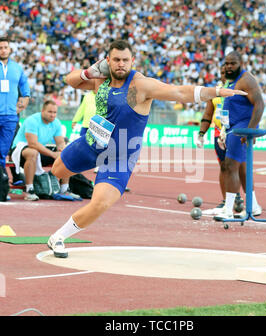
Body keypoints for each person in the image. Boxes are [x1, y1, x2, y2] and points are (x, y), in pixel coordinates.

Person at [47, 39, 247, 258]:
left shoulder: (140, 85)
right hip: (91, 142)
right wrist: (89, 71)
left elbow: (179, 93)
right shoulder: (100, 80)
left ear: (132, 61)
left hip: (120, 156)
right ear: (108, 61)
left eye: (125, 60)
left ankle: (58, 237)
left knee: (101, 202)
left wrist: (216, 91)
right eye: (116, 60)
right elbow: (71, 80)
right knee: (57, 172)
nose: (121, 64)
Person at [213, 51, 264, 220]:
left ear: (240, 63)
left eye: (232, 63)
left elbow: (260, 104)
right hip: (232, 128)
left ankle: (228, 209)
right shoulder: (230, 81)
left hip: (242, 127)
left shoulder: (246, 80)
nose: (228, 66)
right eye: (226, 63)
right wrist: (223, 131)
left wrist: (251, 130)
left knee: (230, 166)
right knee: (242, 169)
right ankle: (254, 205)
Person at [196, 65, 245, 215]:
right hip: (219, 134)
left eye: (227, 73)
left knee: (239, 166)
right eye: (222, 73)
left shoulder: (238, 90)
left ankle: (246, 200)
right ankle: (226, 202)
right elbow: (208, 113)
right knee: (224, 167)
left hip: (235, 133)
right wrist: (201, 133)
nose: (225, 75)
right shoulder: (215, 92)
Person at [11, 100, 81, 201]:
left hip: (39, 150)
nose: (52, 115)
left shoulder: (56, 123)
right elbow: (32, 143)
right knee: (32, 152)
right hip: (20, 149)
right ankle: (29, 190)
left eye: (54, 112)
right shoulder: (32, 120)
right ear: (42, 111)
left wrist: (62, 149)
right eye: (50, 112)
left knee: (67, 154)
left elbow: (60, 142)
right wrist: (53, 154)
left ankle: (64, 189)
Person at [0, 36, 30, 171]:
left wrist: (24, 100)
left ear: (10, 49)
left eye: (5, 47)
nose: (3, 50)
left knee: (3, 152)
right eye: (0, 48)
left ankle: (1, 186)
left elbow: (25, 87)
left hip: (10, 117)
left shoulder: (17, 68)